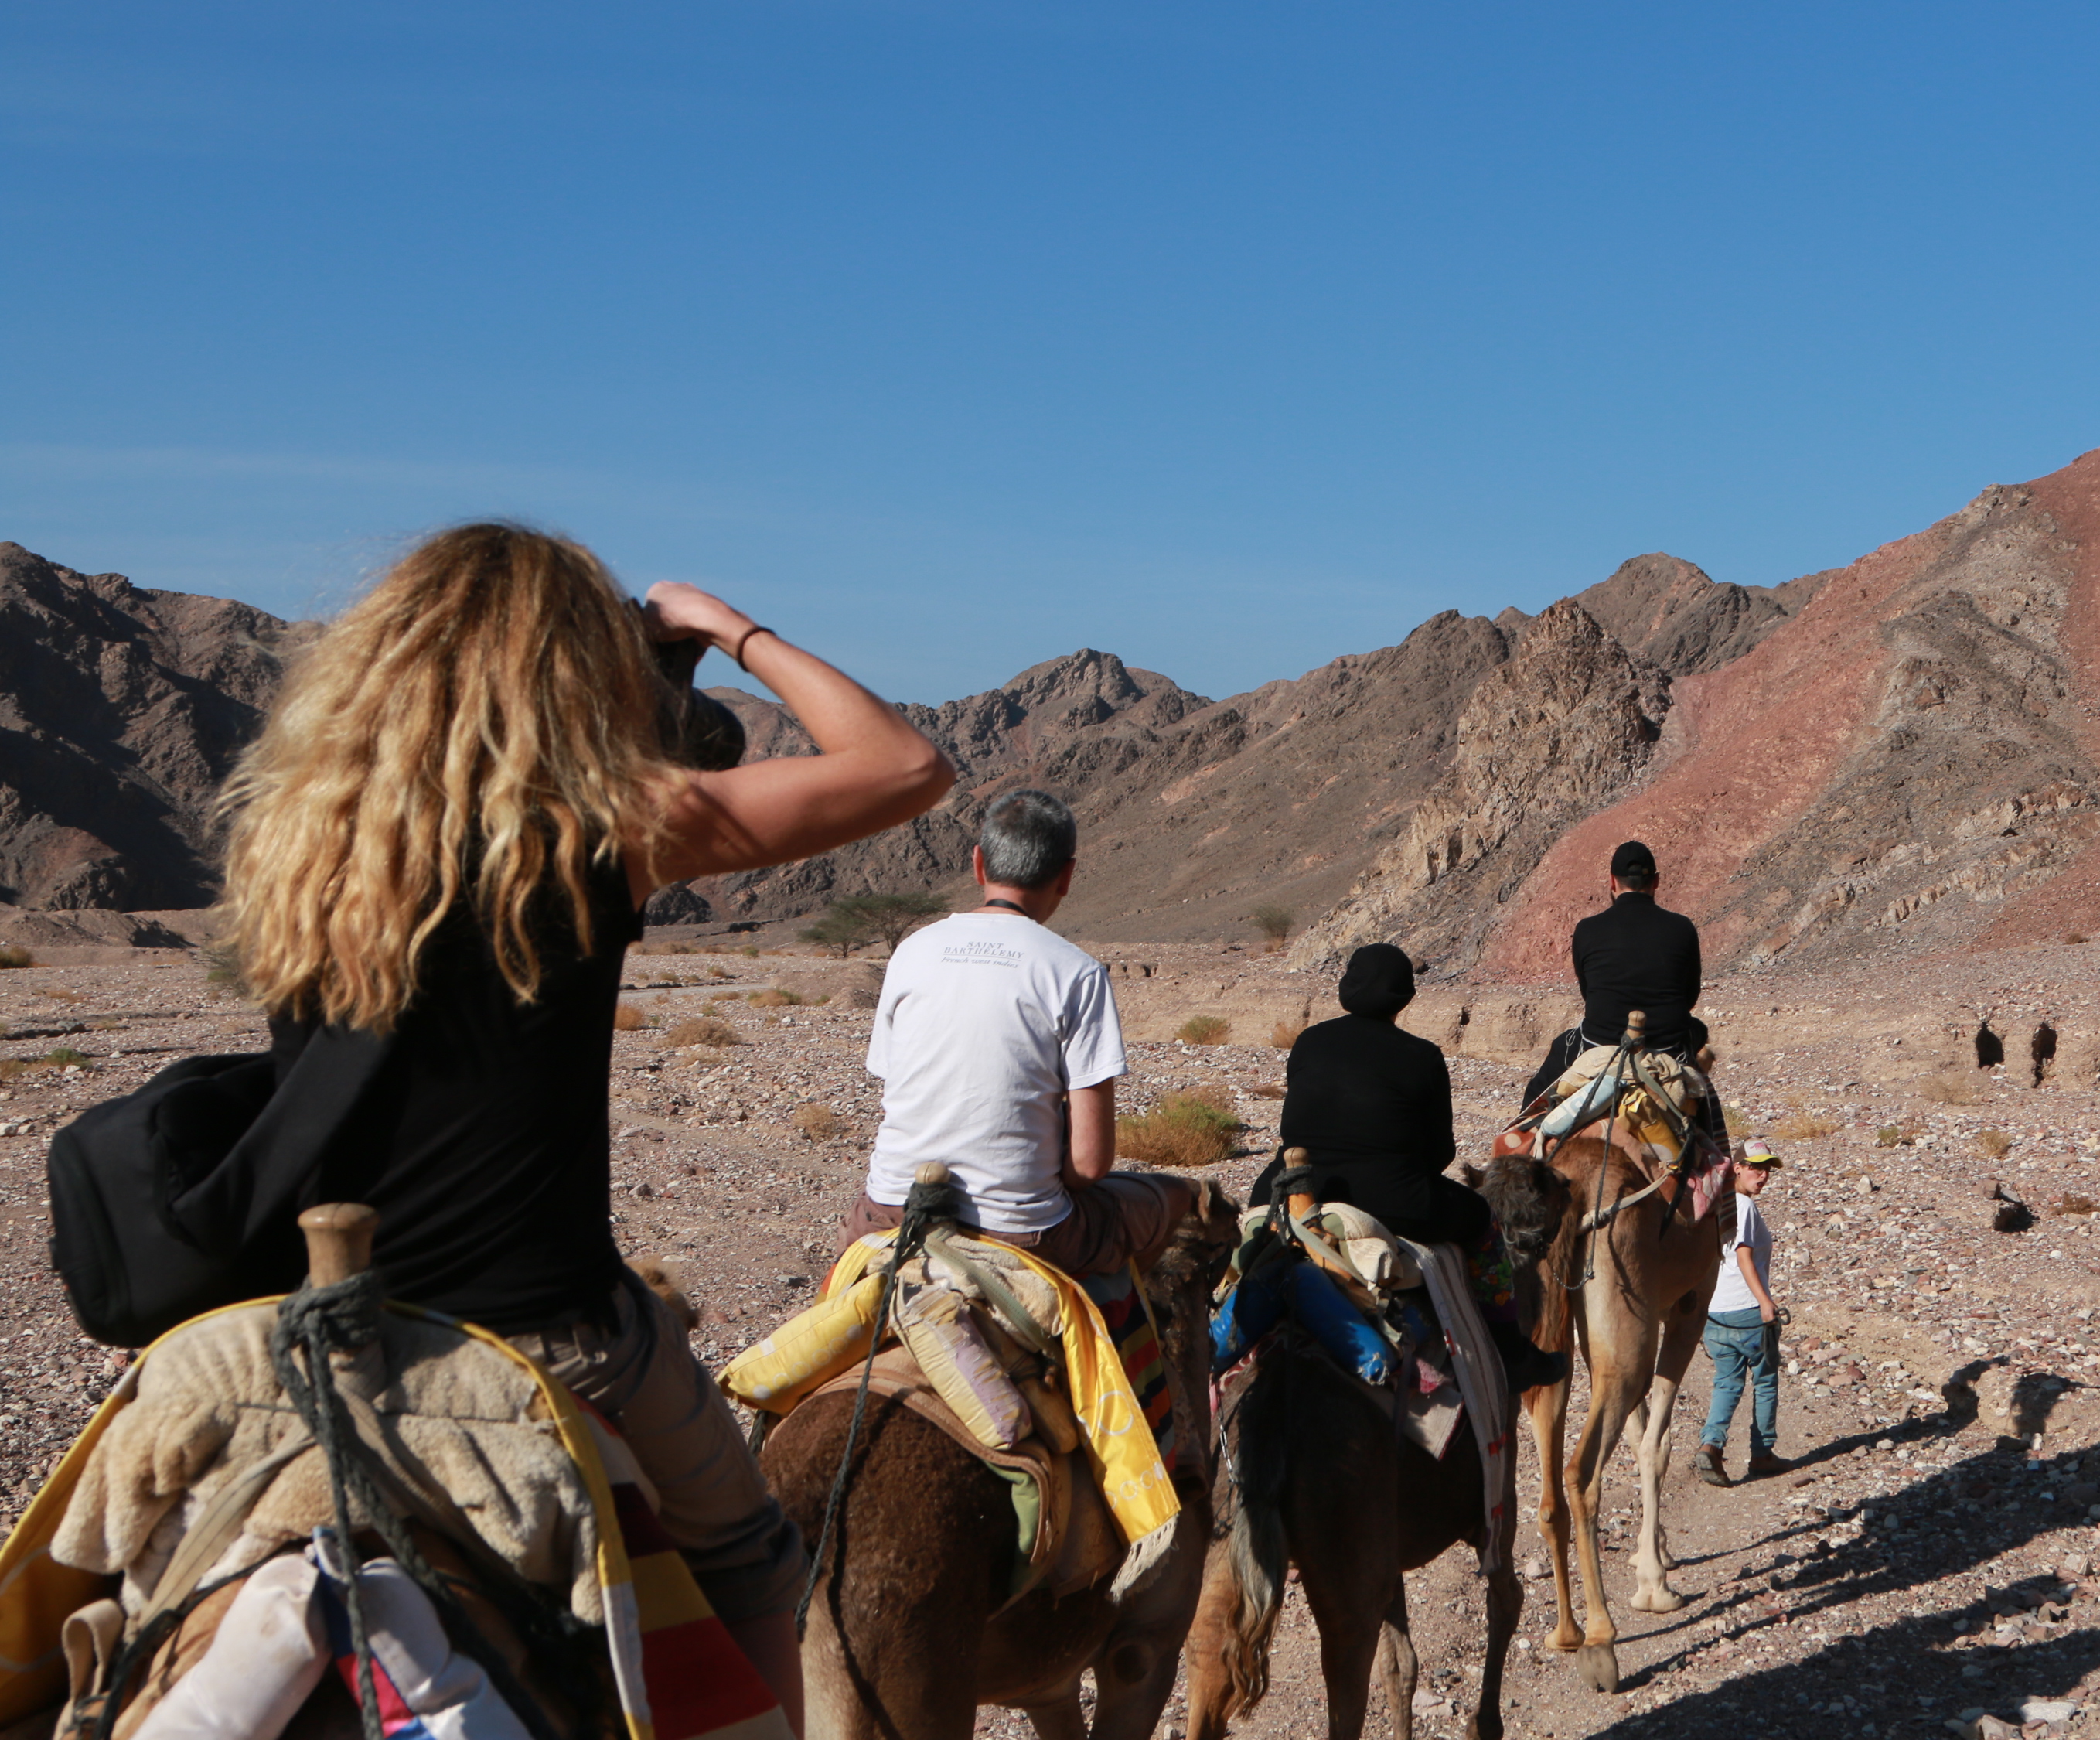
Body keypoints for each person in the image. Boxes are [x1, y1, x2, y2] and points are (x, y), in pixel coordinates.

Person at [218, 522, 954, 1728]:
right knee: (750, 1553)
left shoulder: (298, 833)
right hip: (550, 1334)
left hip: (325, 1320)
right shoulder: (594, 832)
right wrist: (723, 627)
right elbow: (905, 767)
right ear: (566, 668)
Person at [843, 788, 1198, 1281]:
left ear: (978, 863)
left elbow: (896, 1082)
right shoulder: (1076, 972)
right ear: (1067, 876)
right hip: (1024, 1229)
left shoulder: (912, 950)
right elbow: (1089, 1166)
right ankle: (1128, 1326)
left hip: (889, 1209)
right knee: (1180, 1198)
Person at [1248, 943, 1570, 1390]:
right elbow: (1440, 1153)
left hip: (1293, 1191)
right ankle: (1511, 1353)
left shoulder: (1308, 1042)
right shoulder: (1422, 1056)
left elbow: (1296, 1127)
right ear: (1405, 998)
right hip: (1395, 1199)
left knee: (1243, 1243)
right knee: (1483, 1223)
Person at [1520, 838, 1709, 1109]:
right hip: (1667, 1047)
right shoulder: (1683, 928)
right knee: (1701, 1072)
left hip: (1599, 1044)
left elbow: (1589, 993)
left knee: (1544, 1080)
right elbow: (1689, 998)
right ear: (1656, 882)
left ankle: (1520, 1131)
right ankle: (1714, 1132)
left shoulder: (1587, 929)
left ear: (1612, 882)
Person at [1693, 1139, 1791, 1486]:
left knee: (1727, 1382)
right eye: (1755, 1168)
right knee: (1765, 1382)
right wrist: (1765, 1301)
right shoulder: (1743, 1206)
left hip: (1715, 1311)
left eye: (1767, 1169)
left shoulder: (1712, 1202)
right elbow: (1744, 1256)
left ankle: (1711, 1446)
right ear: (1737, 1167)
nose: (1763, 1176)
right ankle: (1762, 1455)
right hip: (1747, 1310)